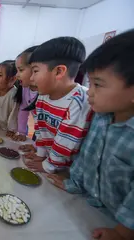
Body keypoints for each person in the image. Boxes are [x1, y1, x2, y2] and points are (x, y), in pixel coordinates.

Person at [47, 30, 134, 240]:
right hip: (93, 206)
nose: (90, 92)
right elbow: (86, 156)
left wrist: (122, 233)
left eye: (99, 84)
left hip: (121, 224)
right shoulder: (99, 117)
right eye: (90, 82)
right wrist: (72, 181)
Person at [24, 37, 93, 173]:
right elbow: (41, 130)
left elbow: (66, 142)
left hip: (69, 171)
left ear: (59, 71)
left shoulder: (79, 100)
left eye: (35, 71)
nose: (31, 78)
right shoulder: (43, 96)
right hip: (51, 160)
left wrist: (47, 166)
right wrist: (40, 155)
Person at [11, 46, 38, 141]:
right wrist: (21, 132)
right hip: (40, 132)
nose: (17, 75)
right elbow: (23, 110)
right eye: (17, 70)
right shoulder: (25, 88)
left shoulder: (45, 93)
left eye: (21, 70)